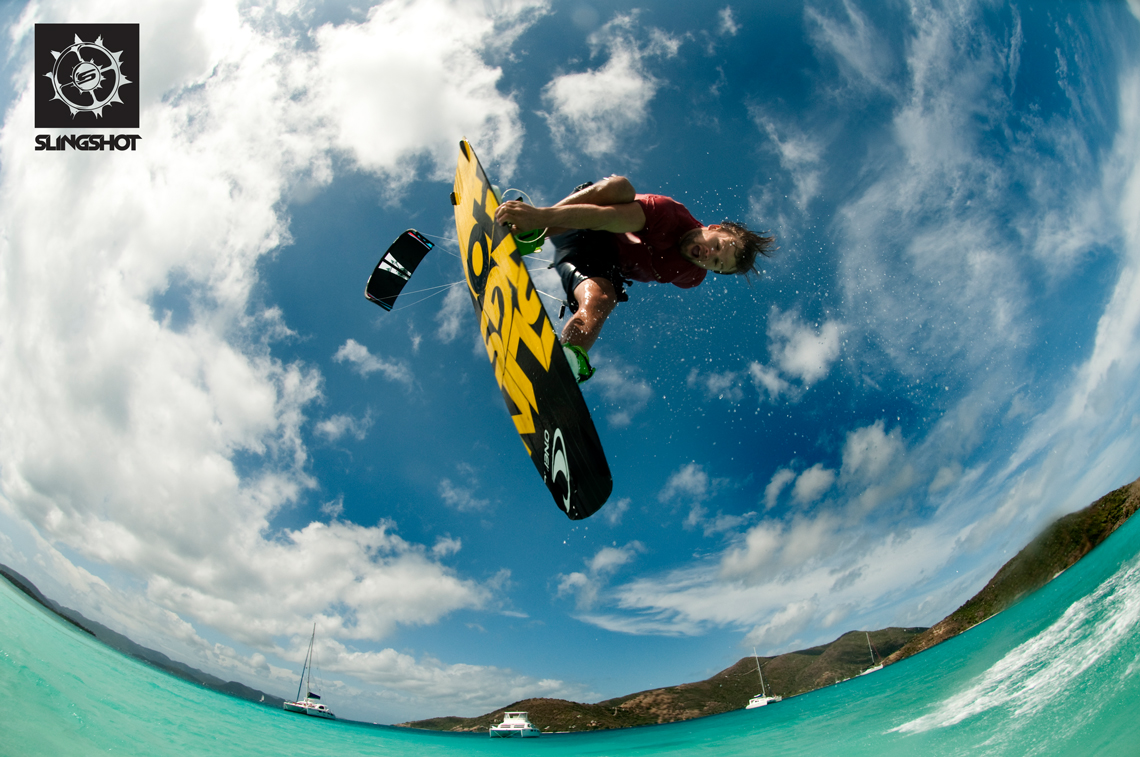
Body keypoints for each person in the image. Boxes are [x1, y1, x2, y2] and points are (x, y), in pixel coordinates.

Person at [493, 176, 775, 382]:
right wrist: (542, 218)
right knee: (621, 187)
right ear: (713, 228)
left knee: (602, 299)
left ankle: (564, 363)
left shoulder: (691, 276)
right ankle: (531, 230)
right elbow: (604, 219)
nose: (709, 254)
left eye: (716, 262)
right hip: (580, 223)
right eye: (717, 245)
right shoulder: (668, 214)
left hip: (598, 262)